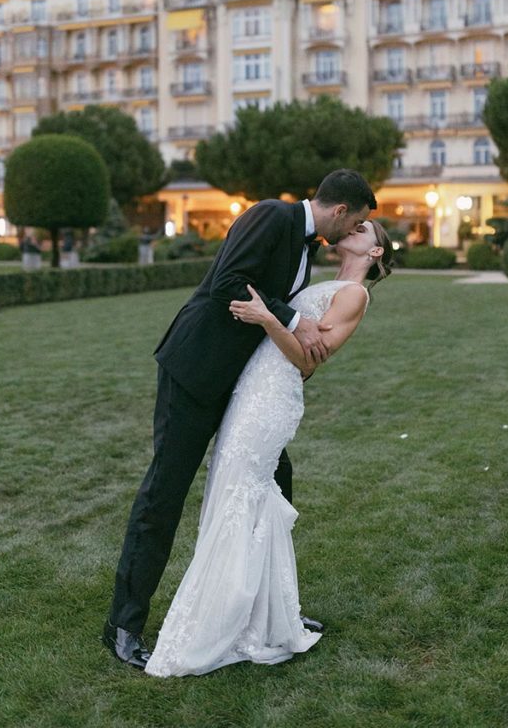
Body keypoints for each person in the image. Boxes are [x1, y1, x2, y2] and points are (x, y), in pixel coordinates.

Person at [103, 169, 377, 668]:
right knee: (165, 491)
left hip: (241, 386)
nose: (353, 232)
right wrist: (296, 320)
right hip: (195, 372)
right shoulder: (271, 216)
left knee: (277, 482)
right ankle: (123, 624)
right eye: (355, 222)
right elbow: (229, 281)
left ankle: (273, 613)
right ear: (340, 211)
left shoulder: (306, 246)